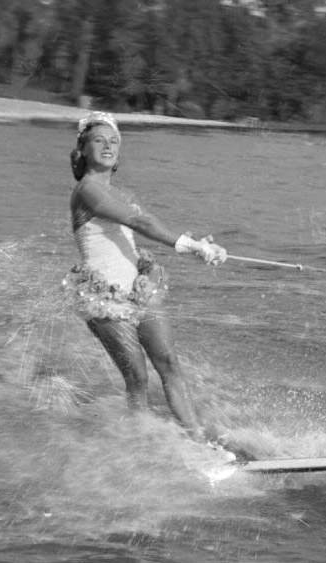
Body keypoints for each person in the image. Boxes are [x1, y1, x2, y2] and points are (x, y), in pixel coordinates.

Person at [65, 111, 227, 444]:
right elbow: (139, 222)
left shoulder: (115, 192)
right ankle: (142, 447)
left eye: (114, 142)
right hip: (103, 298)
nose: (108, 146)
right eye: (99, 140)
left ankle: (197, 442)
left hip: (139, 289)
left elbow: (142, 222)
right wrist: (188, 244)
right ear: (83, 150)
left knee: (168, 363)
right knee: (137, 377)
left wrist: (201, 248)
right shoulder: (87, 191)